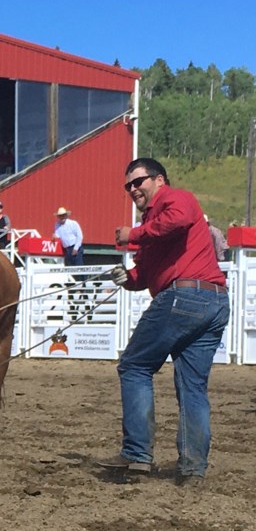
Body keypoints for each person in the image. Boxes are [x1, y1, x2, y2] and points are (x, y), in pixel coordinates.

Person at [98, 158, 230, 488]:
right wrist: (126, 277)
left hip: (183, 297)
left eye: (138, 182)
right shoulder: (157, 222)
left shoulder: (174, 200)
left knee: (134, 366)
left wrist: (134, 234)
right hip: (212, 300)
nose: (132, 189)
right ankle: (192, 468)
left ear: (159, 180)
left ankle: (137, 453)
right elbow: (144, 275)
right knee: (192, 386)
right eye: (128, 185)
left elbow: (180, 219)